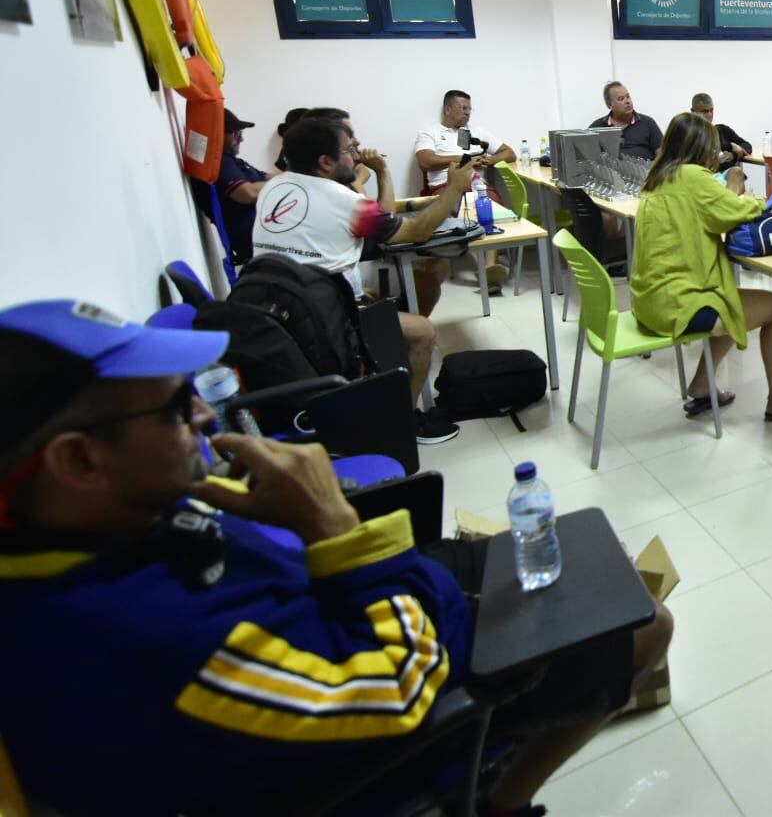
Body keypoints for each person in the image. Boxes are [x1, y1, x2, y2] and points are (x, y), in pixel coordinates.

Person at [0, 301, 672, 817]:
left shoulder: (97, 523)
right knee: (648, 624)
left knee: (593, 558)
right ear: (80, 460)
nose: (206, 416)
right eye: (177, 407)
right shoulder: (151, 645)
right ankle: (497, 804)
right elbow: (408, 686)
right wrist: (335, 524)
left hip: (360, 602)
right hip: (410, 683)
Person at [255, 117, 473, 442]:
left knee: (390, 296)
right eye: (349, 149)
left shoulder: (275, 186)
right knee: (422, 332)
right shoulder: (343, 201)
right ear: (325, 162)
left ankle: (381, 382)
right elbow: (415, 230)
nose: (356, 154)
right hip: (319, 321)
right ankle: (404, 426)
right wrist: (454, 187)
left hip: (276, 309)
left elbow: (372, 222)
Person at [631, 113, 772, 423]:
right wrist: (737, 183)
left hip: (651, 299)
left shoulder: (657, 178)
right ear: (703, 148)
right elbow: (732, 212)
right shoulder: (693, 177)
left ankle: (702, 386)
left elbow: (710, 212)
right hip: (680, 303)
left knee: (732, 298)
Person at [414, 90, 516, 298]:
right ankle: (484, 271)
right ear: (448, 109)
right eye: (463, 108)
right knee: (463, 216)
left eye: (470, 109)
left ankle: (488, 268)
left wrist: (488, 160)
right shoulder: (429, 132)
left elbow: (510, 152)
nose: (467, 113)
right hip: (447, 185)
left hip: (478, 185)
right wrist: (463, 158)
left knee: (492, 209)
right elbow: (425, 161)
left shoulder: (476, 132)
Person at [215, 109, 273, 264]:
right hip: (262, 245)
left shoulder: (234, 162)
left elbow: (268, 176)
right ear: (218, 134)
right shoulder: (220, 162)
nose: (241, 139)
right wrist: (288, 182)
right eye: (236, 133)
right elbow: (246, 193)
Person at [691, 92, 750, 193]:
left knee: (737, 171)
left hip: (723, 176)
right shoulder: (689, 134)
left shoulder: (722, 130)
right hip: (701, 178)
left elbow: (747, 146)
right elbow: (706, 146)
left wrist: (733, 154)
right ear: (693, 112)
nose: (709, 114)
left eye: (711, 110)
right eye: (705, 111)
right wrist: (730, 145)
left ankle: (732, 205)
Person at [591, 81, 663, 160]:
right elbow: (586, 157)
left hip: (644, 170)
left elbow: (662, 152)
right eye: (621, 99)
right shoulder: (597, 127)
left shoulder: (648, 122)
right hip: (611, 171)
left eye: (628, 97)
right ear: (610, 104)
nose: (627, 101)